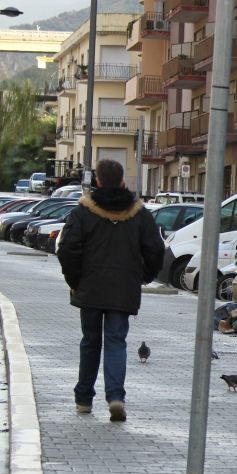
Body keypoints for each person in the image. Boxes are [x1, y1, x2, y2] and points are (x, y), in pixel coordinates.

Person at [56, 159, 164, 421]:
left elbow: (67, 248)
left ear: (98, 182)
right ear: (122, 181)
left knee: (90, 343)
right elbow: (156, 249)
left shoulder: (83, 212)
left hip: (90, 289)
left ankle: (83, 400)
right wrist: (143, 277)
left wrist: (75, 281)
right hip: (123, 291)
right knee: (116, 342)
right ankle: (116, 397)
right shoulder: (139, 213)